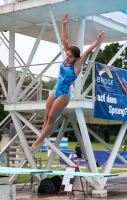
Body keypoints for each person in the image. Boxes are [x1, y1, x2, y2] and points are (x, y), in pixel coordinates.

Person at [31, 13, 105, 150]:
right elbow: (65, 39)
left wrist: (97, 42)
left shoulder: (76, 65)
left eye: (70, 56)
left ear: (76, 58)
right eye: (67, 54)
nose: (67, 57)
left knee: (52, 117)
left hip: (64, 94)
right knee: (46, 116)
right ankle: (41, 138)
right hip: (55, 90)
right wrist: (64, 24)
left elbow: (87, 52)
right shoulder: (67, 58)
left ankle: (38, 141)